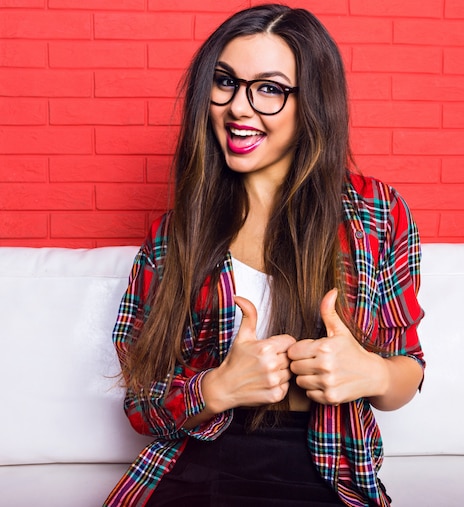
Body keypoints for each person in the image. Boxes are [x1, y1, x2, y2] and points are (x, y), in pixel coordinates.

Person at [104, 4, 424, 506]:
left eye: (269, 89)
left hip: (329, 470)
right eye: (225, 81)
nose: (238, 107)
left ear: (313, 103)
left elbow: (409, 368)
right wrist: (217, 387)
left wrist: (373, 372)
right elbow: (141, 405)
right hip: (197, 465)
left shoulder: (377, 213)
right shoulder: (174, 236)